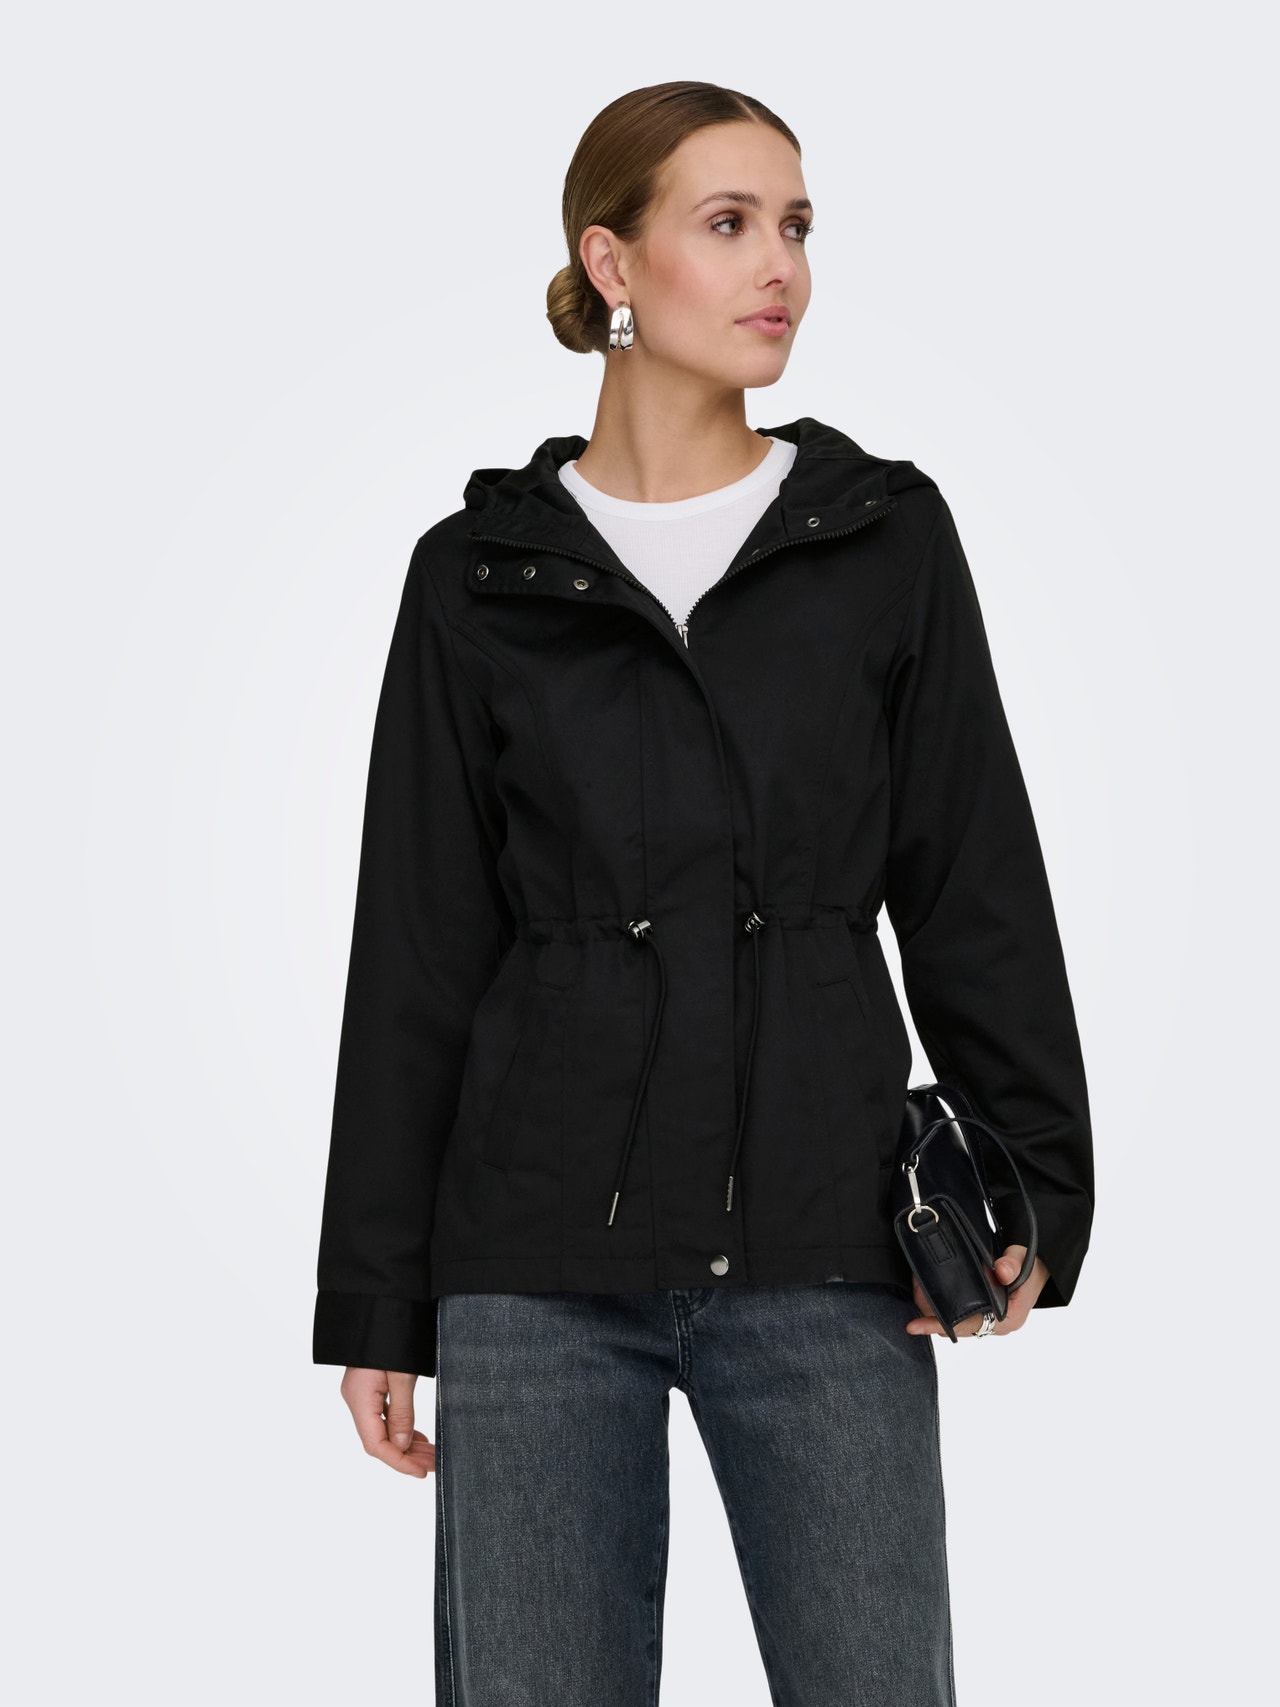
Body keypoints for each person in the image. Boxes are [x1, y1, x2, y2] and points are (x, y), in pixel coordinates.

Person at [312, 80, 1094, 1707]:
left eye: (795, 225)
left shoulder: (882, 542)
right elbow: (418, 951)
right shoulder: (475, 577)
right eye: (728, 224)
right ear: (613, 263)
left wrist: (1030, 1187)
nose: (779, 266)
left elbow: (973, 880)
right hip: (533, 1265)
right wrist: (376, 1298)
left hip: (829, 1243)